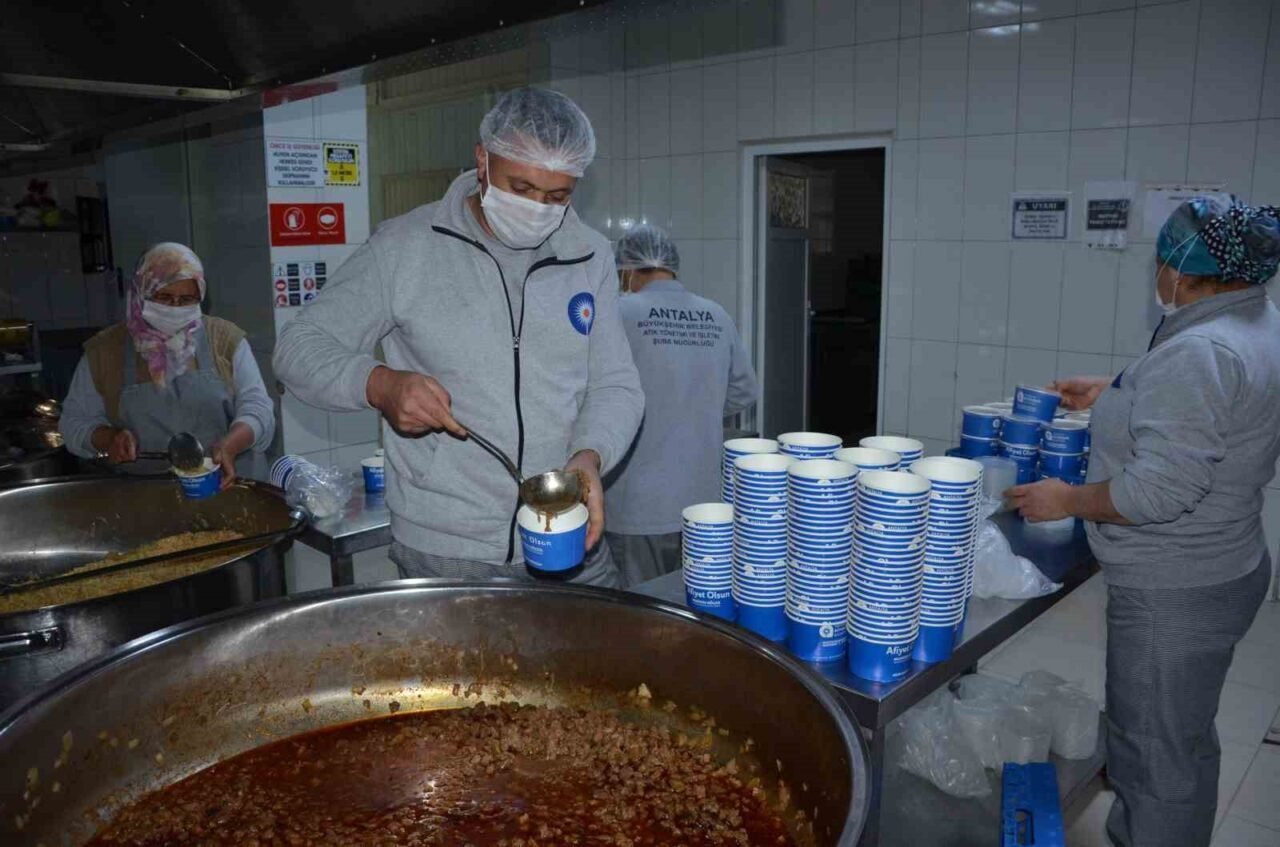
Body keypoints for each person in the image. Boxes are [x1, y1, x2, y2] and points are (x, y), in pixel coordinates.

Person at [274, 88, 643, 585]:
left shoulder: (589, 255)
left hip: (572, 538)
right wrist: (380, 384)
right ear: (482, 161)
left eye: (557, 196)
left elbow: (616, 384)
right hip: (450, 552)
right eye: (521, 187)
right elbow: (297, 347)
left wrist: (591, 454)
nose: (538, 207)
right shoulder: (405, 247)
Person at [1007, 198, 1280, 847]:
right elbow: (1214, 402)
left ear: (1179, 271)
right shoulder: (1258, 319)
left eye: (1158, 261)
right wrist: (1117, 391)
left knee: (1153, 757)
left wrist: (1065, 499)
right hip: (1229, 563)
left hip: (1174, 590)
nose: (1155, 275)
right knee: (1182, 736)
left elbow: (1157, 491)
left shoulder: (1202, 350)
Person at [604, 224, 758, 586]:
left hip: (639, 503)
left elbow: (595, 392)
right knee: (694, 599)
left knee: (642, 606)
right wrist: (697, 407)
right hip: (703, 500)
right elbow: (745, 390)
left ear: (628, 269)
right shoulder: (715, 314)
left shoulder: (620, 313)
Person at [60, 242, 275, 485]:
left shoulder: (224, 340)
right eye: (163, 297)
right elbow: (73, 423)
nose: (175, 308)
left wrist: (232, 444)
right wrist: (108, 438)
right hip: (143, 495)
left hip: (226, 486)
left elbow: (258, 408)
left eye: (187, 299)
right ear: (141, 292)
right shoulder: (104, 351)